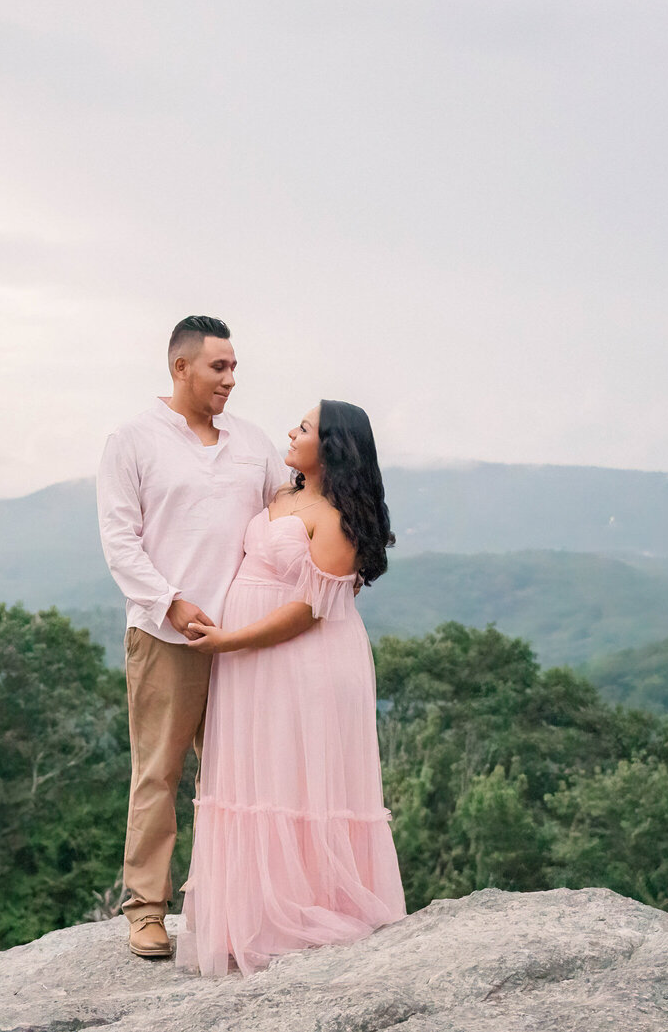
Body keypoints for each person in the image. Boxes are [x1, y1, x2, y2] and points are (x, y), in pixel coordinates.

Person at [177, 399, 406, 976]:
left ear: (331, 446)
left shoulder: (337, 520)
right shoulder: (281, 493)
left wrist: (228, 641)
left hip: (300, 658)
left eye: (303, 427)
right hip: (250, 659)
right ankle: (250, 914)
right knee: (254, 771)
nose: (290, 431)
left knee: (294, 775)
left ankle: (303, 912)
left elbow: (307, 612)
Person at [96, 315, 290, 958]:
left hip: (242, 639)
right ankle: (147, 910)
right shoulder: (132, 440)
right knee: (159, 772)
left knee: (239, 776)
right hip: (164, 637)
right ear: (181, 368)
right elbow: (119, 541)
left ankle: (240, 903)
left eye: (234, 367)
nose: (231, 379)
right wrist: (170, 603)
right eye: (219, 367)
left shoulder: (254, 442)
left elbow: (284, 518)